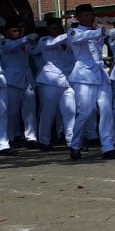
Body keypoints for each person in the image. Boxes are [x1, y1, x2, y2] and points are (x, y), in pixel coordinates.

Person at [66, 4, 115, 160]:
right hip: (83, 76)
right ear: (78, 17)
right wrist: (102, 32)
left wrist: (111, 33)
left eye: (91, 15)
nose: (89, 18)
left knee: (106, 111)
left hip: (100, 74)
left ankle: (108, 147)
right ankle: (75, 145)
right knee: (85, 112)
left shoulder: (96, 31)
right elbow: (79, 38)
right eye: (85, 15)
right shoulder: (74, 31)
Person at [34, 16, 77, 152]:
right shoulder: (44, 40)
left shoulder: (68, 40)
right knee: (48, 112)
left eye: (59, 27)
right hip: (50, 81)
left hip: (67, 80)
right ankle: (44, 141)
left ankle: (72, 142)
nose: (57, 30)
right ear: (48, 29)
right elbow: (54, 42)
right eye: (54, 28)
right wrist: (69, 32)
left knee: (70, 111)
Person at [2, 25, 38, 151]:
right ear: (6, 32)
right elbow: (11, 47)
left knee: (29, 112)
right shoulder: (4, 43)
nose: (17, 33)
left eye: (18, 31)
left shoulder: (24, 43)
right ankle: (10, 138)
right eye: (14, 30)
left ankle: (31, 137)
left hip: (27, 80)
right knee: (11, 112)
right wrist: (26, 38)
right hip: (12, 81)